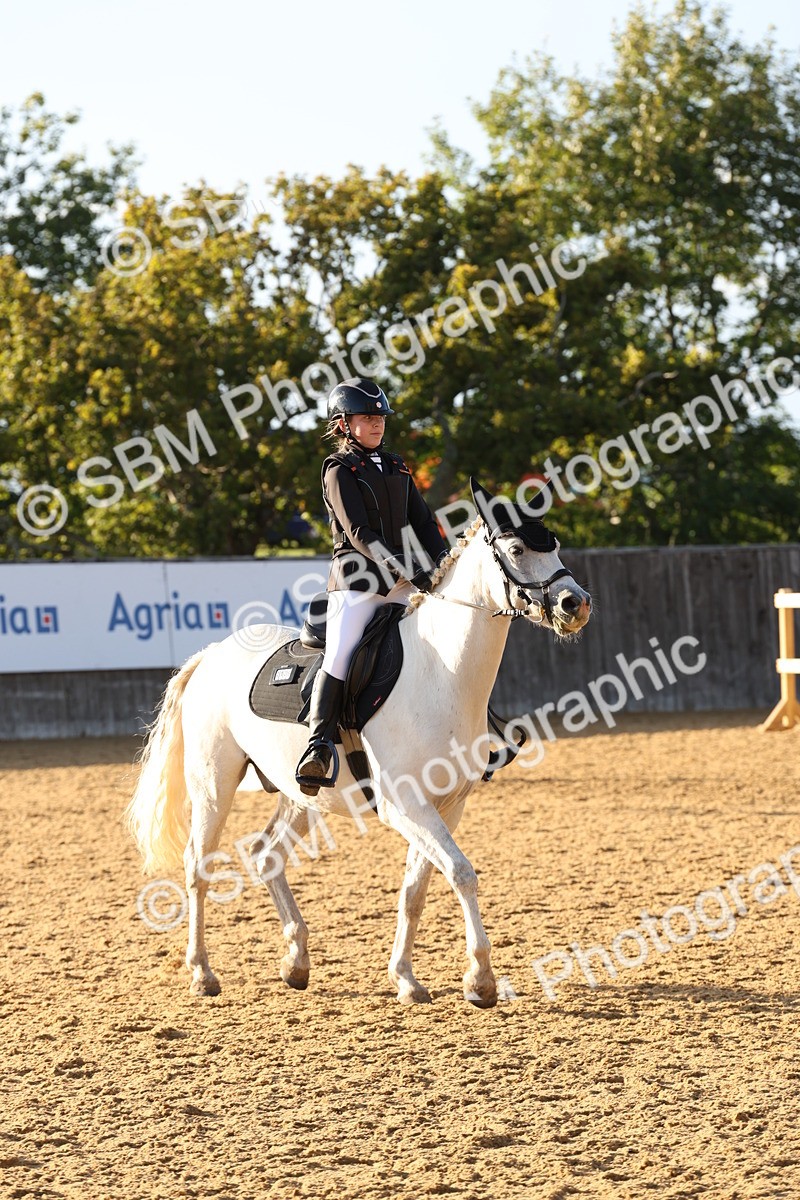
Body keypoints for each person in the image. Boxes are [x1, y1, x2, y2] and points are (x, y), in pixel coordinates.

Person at [295, 376, 448, 796]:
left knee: (442, 640)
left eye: (380, 416)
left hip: (400, 579)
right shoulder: (337, 469)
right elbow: (358, 530)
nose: (377, 423)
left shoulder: (397, 465)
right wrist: (402, 565)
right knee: (342, 652)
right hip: (356, 578)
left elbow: (423, 521)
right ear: (344, 424)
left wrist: (443, 561)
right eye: (367, 417)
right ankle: (319, 743)